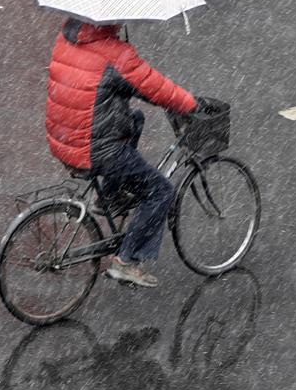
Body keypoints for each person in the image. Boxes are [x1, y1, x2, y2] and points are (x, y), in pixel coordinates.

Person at [45, 18, 198, 287]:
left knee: (135, 119)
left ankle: (110, 197)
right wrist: (188, 103)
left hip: (66, 137)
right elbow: (152, 86)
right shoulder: (114, 55)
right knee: (160, 191)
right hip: (96, 148)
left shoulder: (67, 38)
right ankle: (125, 262)